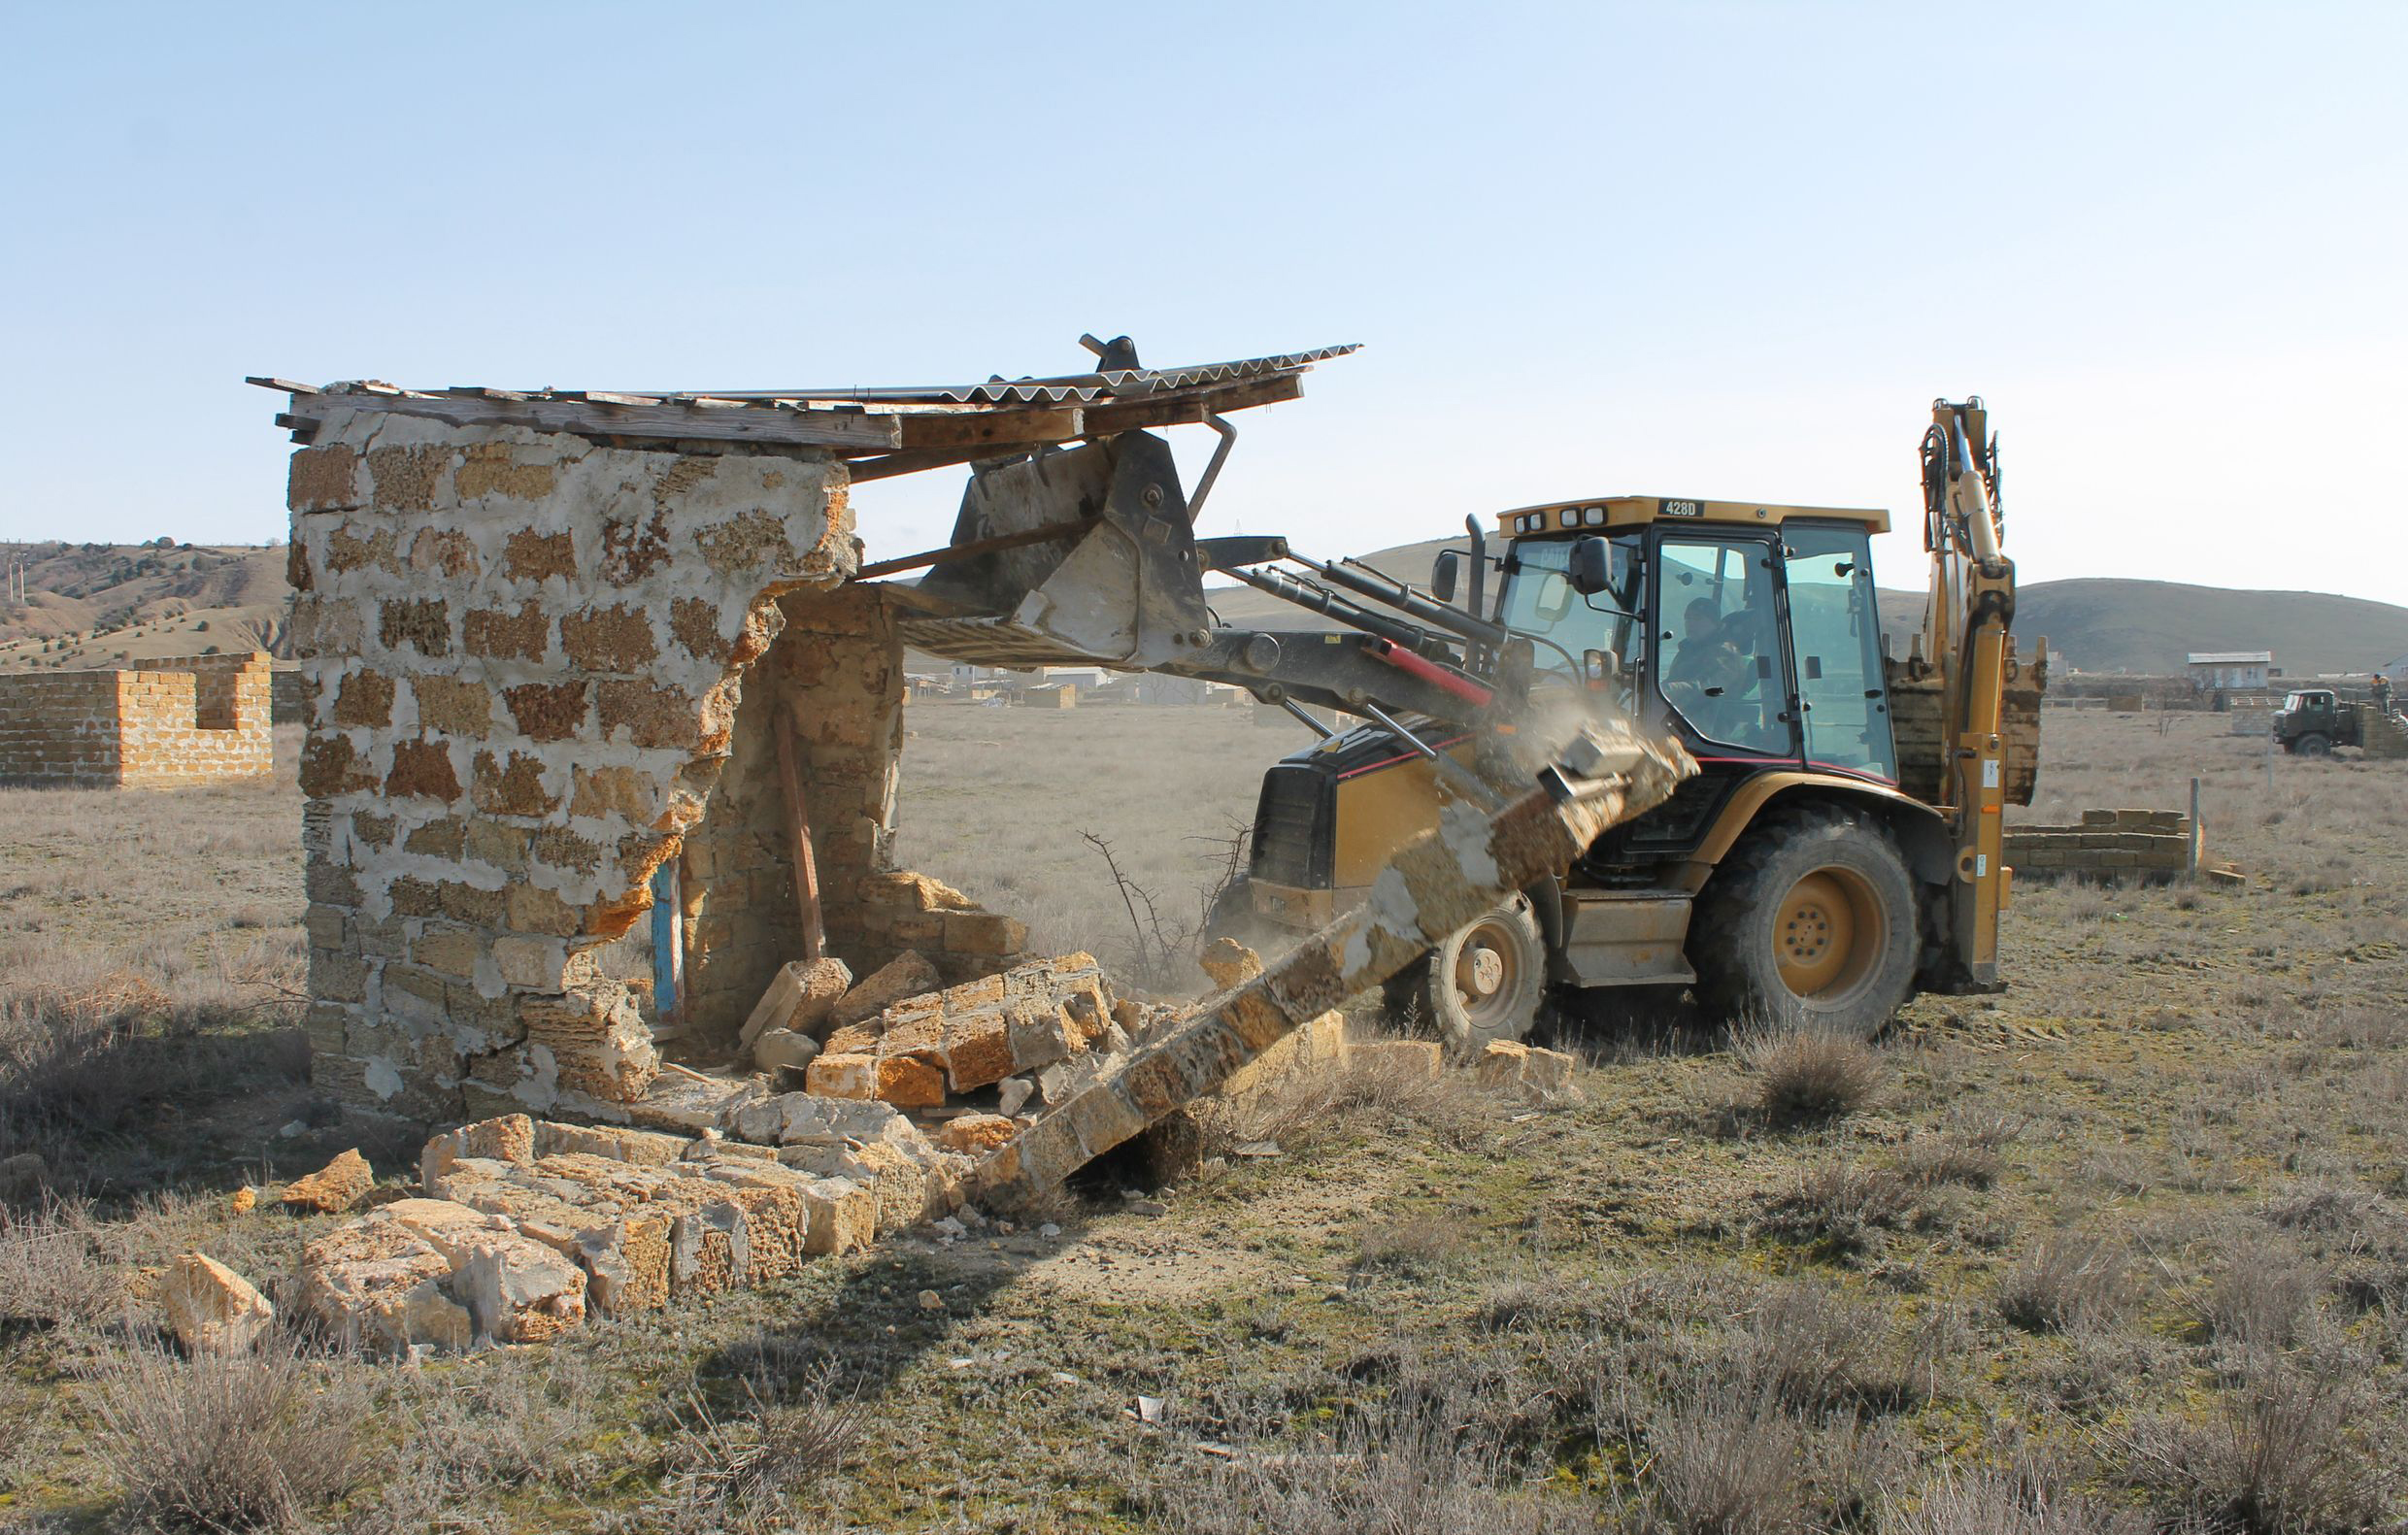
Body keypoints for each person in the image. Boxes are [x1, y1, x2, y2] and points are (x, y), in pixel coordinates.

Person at [1661, 597, 1747, 735]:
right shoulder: (1688, 651)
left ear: (1714, 623)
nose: (1691, 624)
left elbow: (1707, 689)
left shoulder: (1726, 655)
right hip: (1679, 723)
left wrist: (1666, 690)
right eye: (1688, 618)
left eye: (1698, 618)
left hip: (1707, 734)